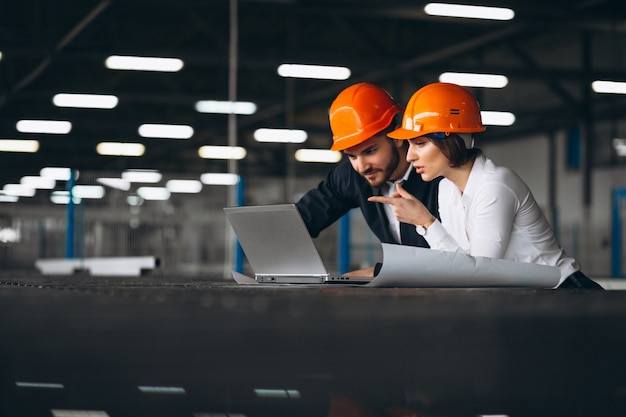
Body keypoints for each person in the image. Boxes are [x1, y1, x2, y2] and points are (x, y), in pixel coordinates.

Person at [368, 82, 602, 289]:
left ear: (451, 140)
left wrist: (426, 222)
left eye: (420, 143)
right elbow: (461, 264)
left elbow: (479, 274)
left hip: (567, 292)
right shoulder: (446, 188)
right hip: (529, 297)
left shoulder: (495, 184)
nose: (409, 156)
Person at [295, 83, 441, 272]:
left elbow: (450, 260)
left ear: (397, 137)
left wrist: (372, 272)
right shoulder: (352, 176)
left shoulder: (437, 176)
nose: (362, 167)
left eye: (370, 151)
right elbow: (303, 218)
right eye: (352, 156)